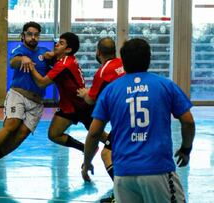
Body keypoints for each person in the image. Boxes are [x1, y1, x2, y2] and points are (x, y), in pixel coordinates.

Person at [81, 38, 195, 203]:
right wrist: (186, 149)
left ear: (123, 61)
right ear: (149, 59)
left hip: (123, 174)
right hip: (158, 170)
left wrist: (86, 163)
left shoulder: (111, 91)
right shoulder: (165, 85)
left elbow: (94, 133)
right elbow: (188, 121)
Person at [0, 21, 51, 176]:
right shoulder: (19, 50)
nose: (33, 37)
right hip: (18, 95)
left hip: (37, 102)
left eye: (36, 35)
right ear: (23, 36)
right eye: (29, 34)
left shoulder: (44, 52)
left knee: (21, 135)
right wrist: (22, 59)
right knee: (12, 124)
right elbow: (13, 62)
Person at [29, 32, 107, 154]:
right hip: (68, 106)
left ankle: (122, 150)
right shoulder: (65, 59)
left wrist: (30, 66)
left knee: (101, 136)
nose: (56, 45)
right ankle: (86, 148)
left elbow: (42, 83)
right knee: (53, 134)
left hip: (83, 106)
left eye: (61, 43)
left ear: (68, 49)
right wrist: (53, 54)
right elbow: (54, 59)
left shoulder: (64, 64)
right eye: (57, 42)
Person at [77, 37, 125, 203]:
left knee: (107, 154)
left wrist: (85, 94)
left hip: (124, 120)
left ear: (98, 52)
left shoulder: (103, 72)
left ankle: (122, 195)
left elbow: (92, 99)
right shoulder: (122, 63)